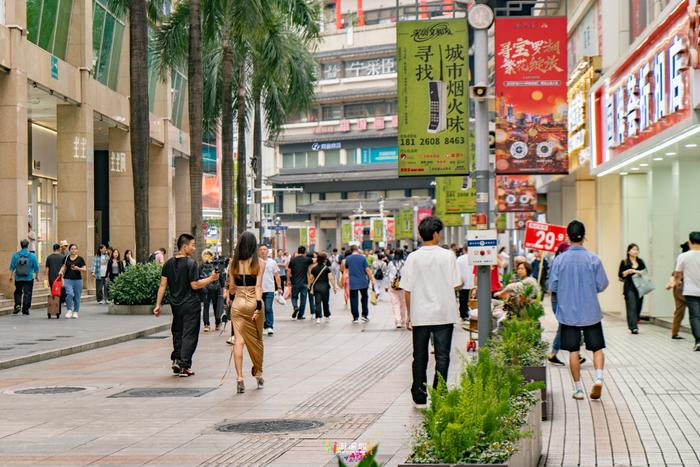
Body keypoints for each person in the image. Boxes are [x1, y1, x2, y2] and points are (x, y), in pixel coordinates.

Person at [401, 216, 462, 408]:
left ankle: (419, 395)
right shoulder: (448, 255)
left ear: (421, 235)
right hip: (444, 313)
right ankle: (439, 394)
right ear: (436, 234)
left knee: (420, 356)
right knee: (442, 356)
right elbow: (457, 283)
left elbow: (407, 289)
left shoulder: (413, 257)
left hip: (420, 314)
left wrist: (410, 315)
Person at [549, 220, 609, 401]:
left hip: (568, 314)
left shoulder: (559, 260)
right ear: (584, 236)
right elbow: (602, 284)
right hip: (590, 311)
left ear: (568, 236)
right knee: (597, 348)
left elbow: (553, 285)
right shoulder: (593, 259)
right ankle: (598, 378)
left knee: (573, 351)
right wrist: (590, 290)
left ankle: (578, 389)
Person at [154, 234, 219, 377]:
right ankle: (184, 365)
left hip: (176, 306)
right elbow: (195, 285)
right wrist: (211, 278)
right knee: (189, 334)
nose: (194, 248)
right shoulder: (191, 263)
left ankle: (177, 359)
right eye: (192, 245)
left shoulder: (168, 264)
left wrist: (157, 305)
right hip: (191, 305)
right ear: (184, 246)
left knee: (177, 332)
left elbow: (162, 286)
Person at [224, 232, 265, 393]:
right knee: (257, 340)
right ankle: (258, 373)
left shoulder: (233, 264)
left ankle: (240, 379)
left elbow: (232, 289)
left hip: (238, 303)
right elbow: (258, 287)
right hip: (254, 303)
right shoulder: (260, 263)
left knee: (238, 342)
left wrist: (232, 289)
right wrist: (258, 305)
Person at [547, 242, 585, 367]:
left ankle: (574, 354)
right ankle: (554, 353)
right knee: (565, 326)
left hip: (563, 298)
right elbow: (553, 285)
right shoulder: (559, 263)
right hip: (560, 299)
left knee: (568, 325)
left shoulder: (561, 263)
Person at [674, 231, 700, 351]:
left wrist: (678, 281)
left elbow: (678, 273)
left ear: (690, 242)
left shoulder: (683, 256)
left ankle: (698, 341)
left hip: (691, 291)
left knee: (695, 316)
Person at [618, 243, 647, 334]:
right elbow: (620, 275)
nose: (635, 251)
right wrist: (628, 271)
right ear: (628, 251)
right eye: (633, 249)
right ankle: (633, 327)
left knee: (638, 306)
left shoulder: (641, 261)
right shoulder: (624, 262)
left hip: (639, 287)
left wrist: (636, 271)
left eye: (637, 249)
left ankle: (636, 320)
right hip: (629, 287)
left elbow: (645, 273)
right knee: (632, 306)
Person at [342, 244, 375, 323]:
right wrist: (372, 279)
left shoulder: (348, 258)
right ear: (357, 250)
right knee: (364, 298)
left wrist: (343, 281)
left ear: (351, 250)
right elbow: (367, 269)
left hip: (353, 282)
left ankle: (355, 317)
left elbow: (346, 271)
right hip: (363, 281)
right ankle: (364, 315)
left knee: (353, 299)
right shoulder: (362, 258)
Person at [9, 239, 40, 315]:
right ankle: (25, 309)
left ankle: (18, 305)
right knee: (27, 293)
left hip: (18, 277)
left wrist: (10, 276)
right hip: (28, 277)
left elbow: (12, 267)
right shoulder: (32, 256)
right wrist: (37, 276)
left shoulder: (15, 255)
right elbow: (36, 267)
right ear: (27, 245)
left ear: (21, 245)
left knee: (18, 292)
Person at [667, 242, 690, 340]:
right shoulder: (686, 258)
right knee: (694, 311)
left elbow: (674, 273)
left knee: (679, 311)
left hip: (679, 288)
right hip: (683, 288)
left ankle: (674, 333)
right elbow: (676, 274)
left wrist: (671, 283)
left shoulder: (681, 257)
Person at [59, 244, 87, 319]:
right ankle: (69, 310)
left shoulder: (80, 259)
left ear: (77, 250)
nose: (73, 250)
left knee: (77, 297)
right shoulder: (66, 258)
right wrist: (61, 272)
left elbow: (85, 269)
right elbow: (64, 267)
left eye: (75, 249)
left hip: (78, 280)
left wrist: (78, 268)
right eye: (72, 249)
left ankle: (75, 311)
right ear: (69, 250)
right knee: (69, 294)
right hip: (68, 279)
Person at [309, 251, 336, 323]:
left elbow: (311, 278)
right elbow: (331, 278)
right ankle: (327, 316)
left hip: (316, 287)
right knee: (325, 302)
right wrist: (334, 287)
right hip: (325, 287)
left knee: (317, 302)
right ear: (325, 259)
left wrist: (309, 286)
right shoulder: (326, 268)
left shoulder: (314, 268)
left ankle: (318, 317)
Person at [260, 245, 281, 335]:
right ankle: (262, 325)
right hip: (258, 290)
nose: (262, 251)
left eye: (264, 249)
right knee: (260, 309)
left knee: (268, 307)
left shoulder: (272, 262)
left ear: (267, 252)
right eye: (260, 249)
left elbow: (277, 275)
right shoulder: (255, 262)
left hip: (269, 289)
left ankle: (269, 326)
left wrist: (279, 287)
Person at [199, 249, 222, 332]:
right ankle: (215, 324)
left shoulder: (202, 265)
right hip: (212, 288)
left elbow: (198, 277)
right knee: (213, 306)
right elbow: (221, 276)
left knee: (209, 306)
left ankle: (209, 324)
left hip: (208, 288)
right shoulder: (214, 264)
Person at [288, 246, 313, 320]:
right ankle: (300, 315)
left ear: (297, 251)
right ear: (305, 252)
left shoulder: (292, 260)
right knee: (303, 300)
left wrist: (288, 281)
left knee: (294, 297)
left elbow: (289, 272)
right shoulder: (307, 259)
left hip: (295, 282)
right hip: (304, 283)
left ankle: (295, 307)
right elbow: (315, 260)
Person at [387, 249, 409, 328]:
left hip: (393, 286)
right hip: (403, 285)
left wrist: (386, 286)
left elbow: (387, 274)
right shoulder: (405, 263)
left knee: (395, 304)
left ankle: (398, 321)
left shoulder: (390, 263)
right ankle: (403, 320)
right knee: (404, 304)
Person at [45, 243, 65, 316]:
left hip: (51, 279)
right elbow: (64, 269)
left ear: (53, 249)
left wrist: (46, 280)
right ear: (59, 249)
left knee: (53, 294)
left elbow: (47, 270)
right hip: (59, 278)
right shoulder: (63, 257)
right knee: (58, 294)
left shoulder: (49, 257)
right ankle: (57, 311)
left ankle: (52, 309)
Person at [456, 245, 475, 321]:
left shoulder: (459, 259)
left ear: (464, 250)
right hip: (473, 283)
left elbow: (456, 271)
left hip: (463, 283)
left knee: (463, 300)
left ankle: (464, 315)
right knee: (472, 300)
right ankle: (473, 314)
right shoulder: (475, 258)